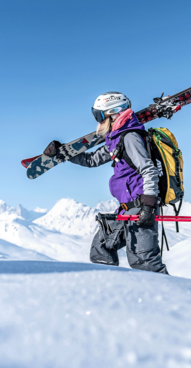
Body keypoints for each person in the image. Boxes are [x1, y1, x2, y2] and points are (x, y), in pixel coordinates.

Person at [43, 92, 168, 274]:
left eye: (100, 116)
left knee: (144, 262)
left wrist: (148, 206)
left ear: (115, 113)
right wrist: (63, 152)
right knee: (101, 247)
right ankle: (108, 289)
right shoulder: (116, 139)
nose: (98, 121)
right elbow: (91, 160)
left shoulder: (130, 137)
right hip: (126, 208)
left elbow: (148, 169)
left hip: (141, 207)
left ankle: (179, 299)